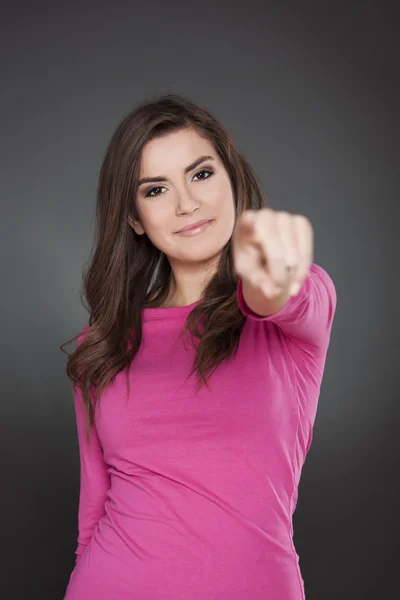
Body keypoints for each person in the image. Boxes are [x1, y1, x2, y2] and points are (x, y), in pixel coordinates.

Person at [61, 93, 337, 599]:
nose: (187, 203)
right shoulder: (100, 344)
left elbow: (276, 296)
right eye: (156, 188)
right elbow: (91, 518)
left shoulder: (296, 306)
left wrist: (269, 279)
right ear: (135, 218)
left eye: (201, 174)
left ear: (231, 177)